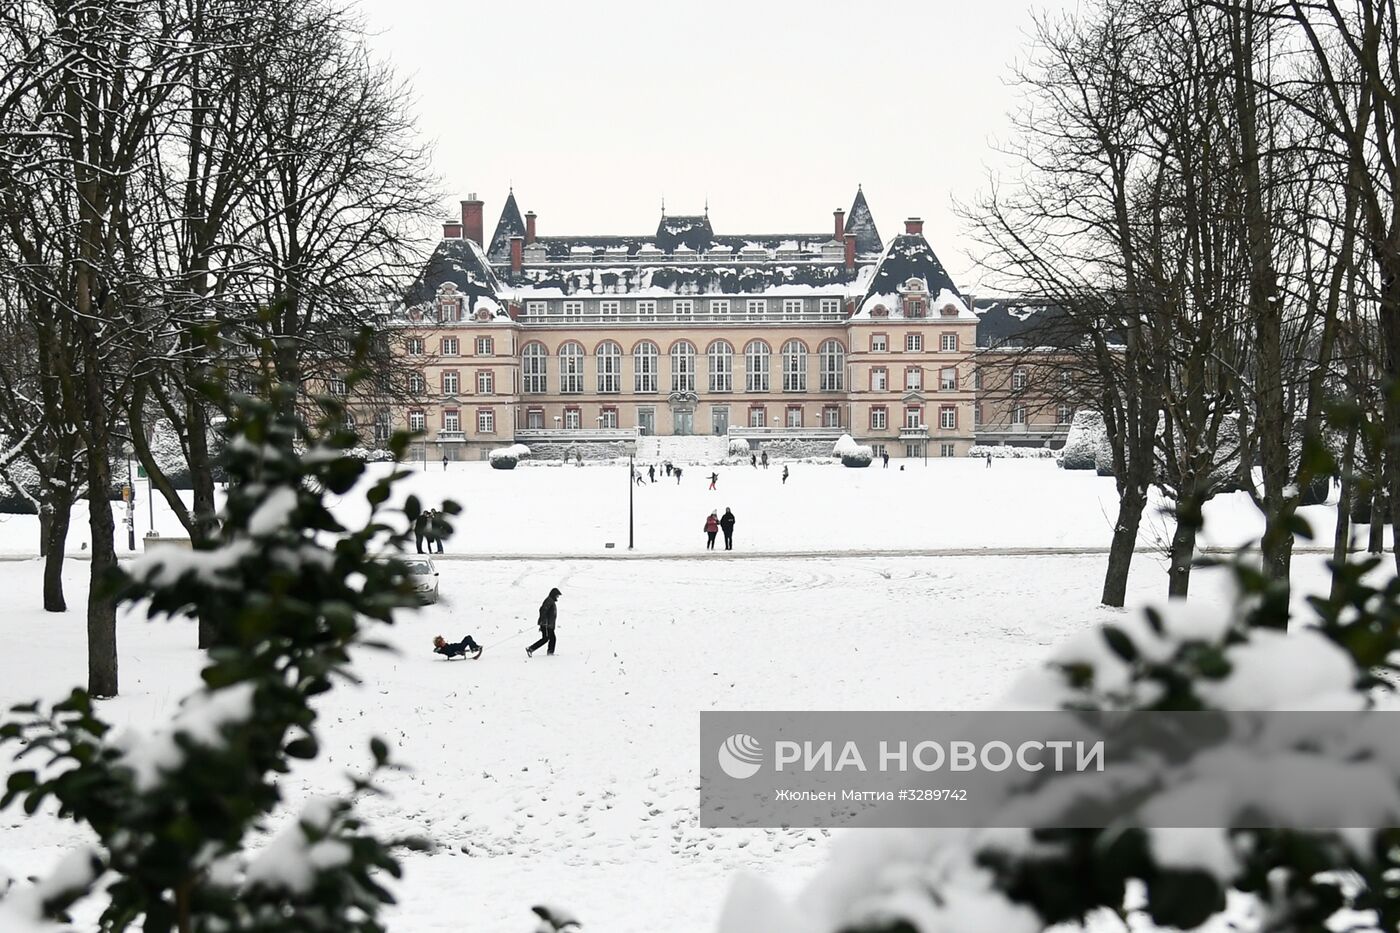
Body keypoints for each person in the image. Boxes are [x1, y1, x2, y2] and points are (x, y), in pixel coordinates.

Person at [527, 587, 562, 657]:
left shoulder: (551, 601)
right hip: (546, 625)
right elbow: (543, 610)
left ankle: (550, 653)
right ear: (553, 594)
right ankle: (530, 649)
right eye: (557, 595)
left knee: (552, 638)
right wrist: (543, 622)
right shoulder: (549, 601)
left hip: (549, 625)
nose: (557, 597)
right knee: (545, 639)